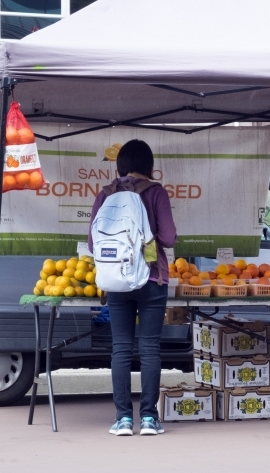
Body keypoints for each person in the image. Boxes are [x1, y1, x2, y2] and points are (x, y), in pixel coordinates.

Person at [89, 140, 177, 435]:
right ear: (150, 166)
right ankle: (150, 419)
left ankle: (123, 419)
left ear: (119, 166)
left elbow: (92, 244)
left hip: (117, 280)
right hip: (152, 279)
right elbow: (169, 238)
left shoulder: (106, 193)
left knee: (121, 349)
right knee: (150, 347)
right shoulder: (155, 192)